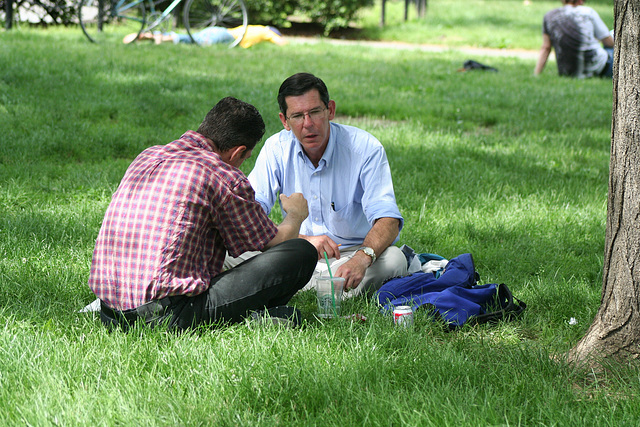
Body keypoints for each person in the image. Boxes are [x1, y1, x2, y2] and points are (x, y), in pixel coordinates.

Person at [88, 96, 317, 331]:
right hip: (167, 317)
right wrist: (295, 215)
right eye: (244, 159)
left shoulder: (147, 156)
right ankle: (254, 316)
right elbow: (272, 242)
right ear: (237, 152)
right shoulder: (222, 175)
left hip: (110, 313)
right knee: (300, 252)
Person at [227, 73, 407, 298]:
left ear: (329, 110)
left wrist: (362, 258)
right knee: (228, 251)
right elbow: (248, 216)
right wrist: (304, 240)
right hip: (292, 251)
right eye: (298, 116)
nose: (308, 124)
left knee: (395, 260)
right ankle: (329, 289)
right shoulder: (276, 149)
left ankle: (289, 286)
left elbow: (388, 219)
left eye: (314, 112)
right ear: (285, 121)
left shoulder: (365, 148)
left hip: (349, 254)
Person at [534, 0, 614, 78]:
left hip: (568, 73)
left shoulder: (549, 16)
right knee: (612, 34)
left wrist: (536, 74)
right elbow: (609, 43)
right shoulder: (588, 12)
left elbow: (546, 48)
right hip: (600, 69)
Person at [123, 25, 287, 48]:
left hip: (218, 30)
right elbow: (280, 42)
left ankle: (154, 35)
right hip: (224, 37)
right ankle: (157, 37)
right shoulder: (267, 32)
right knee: (191, 40)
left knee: (190, 37)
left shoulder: (254, 26)